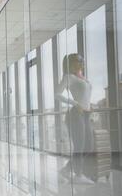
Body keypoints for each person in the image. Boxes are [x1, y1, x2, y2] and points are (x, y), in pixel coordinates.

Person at [55, 53, 94, 184]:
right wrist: (75, 103)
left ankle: (66, 170)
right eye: (79, 60)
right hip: (76, 115)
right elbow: (57, 94)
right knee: (80, 146)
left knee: (88, 146)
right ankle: (78, 175)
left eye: (82, 60)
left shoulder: (81, 77)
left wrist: (90, 105)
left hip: (86, 114)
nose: (82, 62)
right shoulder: (69, 77)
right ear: (71, 63)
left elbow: (85, 97)